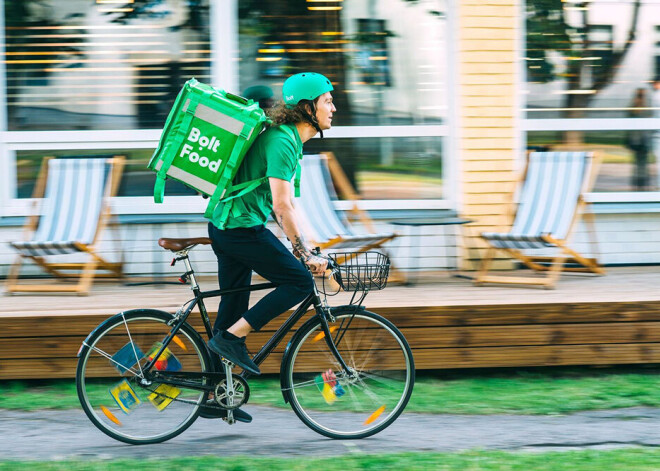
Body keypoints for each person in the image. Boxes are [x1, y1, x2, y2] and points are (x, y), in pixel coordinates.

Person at [204, 72, 335, 421]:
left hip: (228, 227)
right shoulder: (283, 142)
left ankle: (217, 395)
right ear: (308, 108)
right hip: (240, 230)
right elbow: (281, 206)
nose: (333, 108)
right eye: (327, 102)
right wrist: (304, 254)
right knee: (298, 282)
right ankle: (233, 341)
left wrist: (309, 246)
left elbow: (289, 207)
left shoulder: (289, 139)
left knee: (232, 311)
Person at [626, 87, 653, 190]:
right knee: (643, 163)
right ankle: (642, 183)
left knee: (638, 163)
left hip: (636, 139)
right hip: (643, 139)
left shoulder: (633, 108)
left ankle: (638, 183)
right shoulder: (646, 108)